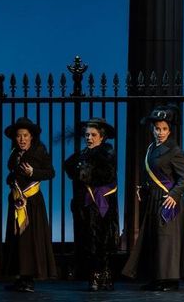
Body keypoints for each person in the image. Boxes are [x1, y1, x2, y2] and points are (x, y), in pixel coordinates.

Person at [122, 105, 184, 291]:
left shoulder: (174, 150)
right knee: (155, 240)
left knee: (167, 240)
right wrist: (143, 187)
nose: (160, 132)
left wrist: (174, 194)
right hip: (153, 199)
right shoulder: (151, 147)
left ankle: (170, 280)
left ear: (170, 130)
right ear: (153, 129)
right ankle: (157, 278)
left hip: (167, 200)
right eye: (158, 129)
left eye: (164, 129)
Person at [64, 118, 119, 291]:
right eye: (87, 134)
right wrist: (81, 170)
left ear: (102, 137)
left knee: (101, 240)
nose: (89, 138)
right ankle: (94, 275)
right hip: (84, 205)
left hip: (101, 205)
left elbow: (107, 176)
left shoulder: (107, 153)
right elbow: (70, 167)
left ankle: (102, 275)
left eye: (93, 135)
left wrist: (86, 173)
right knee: (87, 240)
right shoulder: (82, 154)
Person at [3, 117, 57, 292]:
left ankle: (29, 279)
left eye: (25, 135)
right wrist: (10, 179)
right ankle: (21, 276)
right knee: (18, 239)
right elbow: (14, 173)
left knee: (30, 239)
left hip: (32, 203)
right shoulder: (14, 153)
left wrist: (33, 172)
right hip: (17, 201)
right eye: (19, 136)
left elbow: (50, 173)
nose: (22, 139)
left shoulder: (40, 151)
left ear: (31, 136)